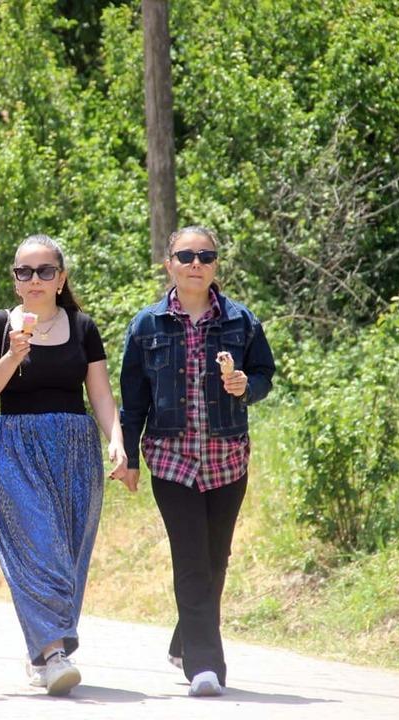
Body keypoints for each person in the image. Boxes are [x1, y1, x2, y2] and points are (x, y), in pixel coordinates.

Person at [0, 234, 128, 696]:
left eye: (44, 271)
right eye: (24, 272)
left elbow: (99, 393)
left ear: (60, 278)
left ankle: (44, 650)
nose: (34, 279)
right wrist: (13, 355)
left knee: (71, 552)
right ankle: (55, 654)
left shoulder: (82, 326)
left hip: (77, 451)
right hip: (18, 447)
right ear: (15, 280)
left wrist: (116, 440)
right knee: (40, 547)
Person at [119, 226, 275, 697]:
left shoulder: (240, 321)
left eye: (204, 255)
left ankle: (185, 638)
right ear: (168, 263)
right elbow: (133, 400)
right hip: (171, 461)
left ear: (215, 264)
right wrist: (126, 456)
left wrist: (246, 385)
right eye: (185, 255)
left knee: (215, 559)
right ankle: (206, 667)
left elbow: (265, 374)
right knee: (191, 561)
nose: (195, 263)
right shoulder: (147, 325)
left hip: (227, 459)